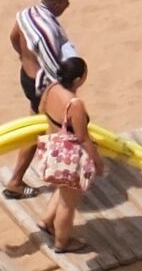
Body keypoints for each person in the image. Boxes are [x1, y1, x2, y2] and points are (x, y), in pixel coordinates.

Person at [2, 0, 77, 201]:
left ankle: (18, 180)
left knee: (36, 125)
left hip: (26, 76)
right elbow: (56, 68)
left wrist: (23, 57)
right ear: (56, 3)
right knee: (44, 130)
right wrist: (67, 92)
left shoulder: (27, 14)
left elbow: (14, 36)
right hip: (41, 86)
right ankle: (16, 182)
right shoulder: (49, 32)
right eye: (65, 3)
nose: (67, 6)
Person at [27, 53, 101, 254]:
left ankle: (47, 221)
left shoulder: (51, 88)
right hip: (69, 155)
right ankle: (62, 242)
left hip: (52, 147)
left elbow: (41, 110)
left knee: (62, 188)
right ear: (78, 79)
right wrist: (97, 162)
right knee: (68, 203)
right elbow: (83, 137)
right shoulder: (75, 104)